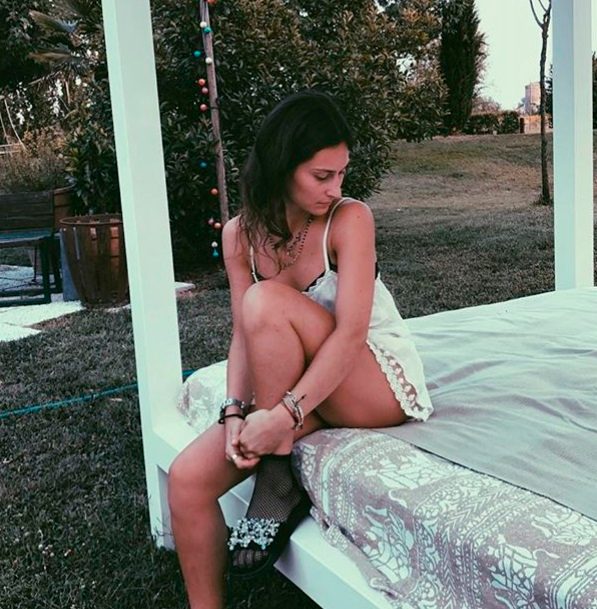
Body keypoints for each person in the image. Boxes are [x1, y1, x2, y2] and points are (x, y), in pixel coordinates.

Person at [168, 89, 433, 609]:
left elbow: (351, 333)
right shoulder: (239, 236)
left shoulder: (349, 219)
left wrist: (280, 417)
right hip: (305, 389)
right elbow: (244, 334)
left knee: (266, 300)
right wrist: (233, 413)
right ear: (281, 167)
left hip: (372, 384)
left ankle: (276, 473)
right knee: (186, 480)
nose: (336, 188)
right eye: (322, 176)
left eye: (341, 174)